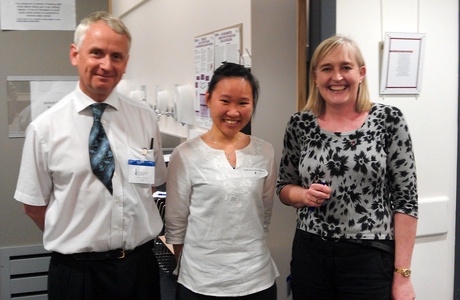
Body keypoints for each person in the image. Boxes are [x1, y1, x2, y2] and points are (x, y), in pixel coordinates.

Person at [14, 11, 167, 300]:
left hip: (139, 270)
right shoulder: (45, 128)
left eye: (117, 56)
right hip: (77, 276)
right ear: (75, 54)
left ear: (126, 63)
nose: (106, 65)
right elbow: (33, 206)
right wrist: (77, 232)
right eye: (96, 53)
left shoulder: (146, 119)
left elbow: (152, 184)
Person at [276, 35, 418, 300]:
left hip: (369, 256)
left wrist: (403, 275)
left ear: (361, 73)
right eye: (327, 68)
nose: (337, 77)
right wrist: (302, 195)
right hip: (310, 254)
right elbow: (284, 186)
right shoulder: (300, 123)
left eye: (346, 67)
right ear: (316, 75)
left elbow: (406, 202)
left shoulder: (388, 120)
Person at [165, 62, 279, 299]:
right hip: (201, 283)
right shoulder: (185, 154)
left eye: (243, 103)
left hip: (256, 279)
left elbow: (264, 214)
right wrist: (190, 267)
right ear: (208, 99)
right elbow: (176, 225)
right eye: (225, 101)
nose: (234, 112)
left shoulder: (264, 151)